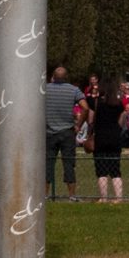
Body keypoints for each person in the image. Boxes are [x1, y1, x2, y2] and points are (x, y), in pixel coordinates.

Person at [45, 64, 86, 200]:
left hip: (49, 131)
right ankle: (72, 195)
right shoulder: (74, 90)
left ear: (53, 77)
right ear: (66, 77)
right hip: (67, 131)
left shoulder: (45, 89)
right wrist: (78, 125)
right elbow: (85, 108)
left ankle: (45, 194)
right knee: (69, 164)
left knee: (48, 164)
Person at [92, 81, 127, 202]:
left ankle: (103, 198)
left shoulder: (98, 103)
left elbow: (91, 119)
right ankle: (119, 198)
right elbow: (122, 118)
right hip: (115, 138)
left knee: (101, 169)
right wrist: (117, 128)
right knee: (115, 169)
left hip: (101, 138)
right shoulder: (118, 104)